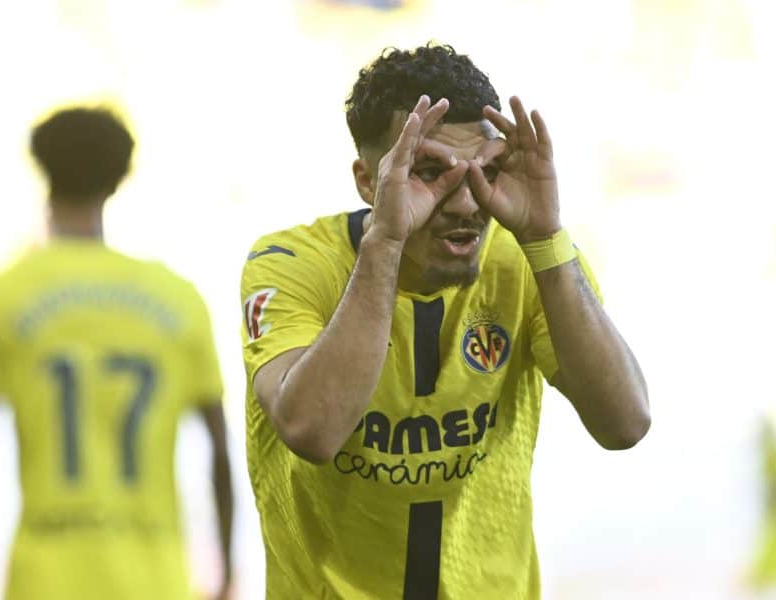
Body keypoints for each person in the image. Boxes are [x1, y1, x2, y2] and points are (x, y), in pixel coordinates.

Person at [240, 43, 650, 599]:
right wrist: (385, 242)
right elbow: (312, 429)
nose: (463, 203)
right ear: (367, 181)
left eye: (485, 170)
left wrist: (546, 238)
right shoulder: (292, 265)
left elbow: (624, 423)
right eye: (428, 172)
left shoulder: (527, 261)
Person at [0, 107, 233, 600]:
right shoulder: (179, 300)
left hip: (44, 579)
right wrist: (226, 572)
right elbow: (220, 451)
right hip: (156, 579)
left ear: (44, 174)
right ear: (117, 182)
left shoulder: (2, 296)